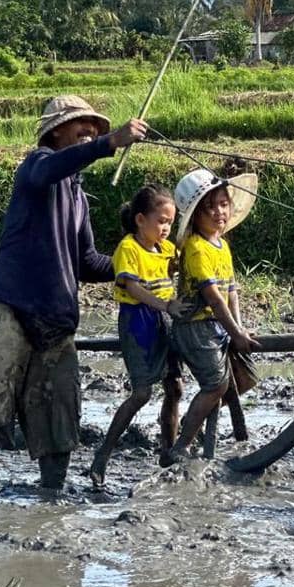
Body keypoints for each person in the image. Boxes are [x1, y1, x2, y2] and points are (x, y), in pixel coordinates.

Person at [0, 94, 147, 490]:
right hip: (11, 305)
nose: (90, 131)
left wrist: (137, 265)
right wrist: (109, 143)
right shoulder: (36, 167)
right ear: (55, 132)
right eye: (81, 125)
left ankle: (51, 494)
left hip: (55, 315)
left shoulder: (79, 198)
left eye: (95, 128)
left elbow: (86, 262)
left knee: (59, 419)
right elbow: (47, 171)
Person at [88, 183, 191, 489]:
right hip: (139, 322)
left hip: (166, 319)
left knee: (175, 386)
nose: (166, 228)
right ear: (140, 220)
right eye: (161, 221)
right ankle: (102, 455)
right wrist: (166, 305)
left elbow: (179, 268)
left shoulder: (167, 249)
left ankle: (167, 452)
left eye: (170, 223)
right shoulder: (128, 249)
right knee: (142, 393)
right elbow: (133, 289)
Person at [161, 168, 259, 466]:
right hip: (195, 327)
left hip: (217, 326)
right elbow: (214, 297)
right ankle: (182, 446)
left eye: (223, 204)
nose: (219, 211)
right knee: (215, 385)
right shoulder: (195, 248)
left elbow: (231, 292)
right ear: (195, 216)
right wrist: (236, 332)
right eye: (210, 207)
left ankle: (203, 430)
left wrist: (237, 328)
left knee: (237, 380)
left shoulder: (221, 245)